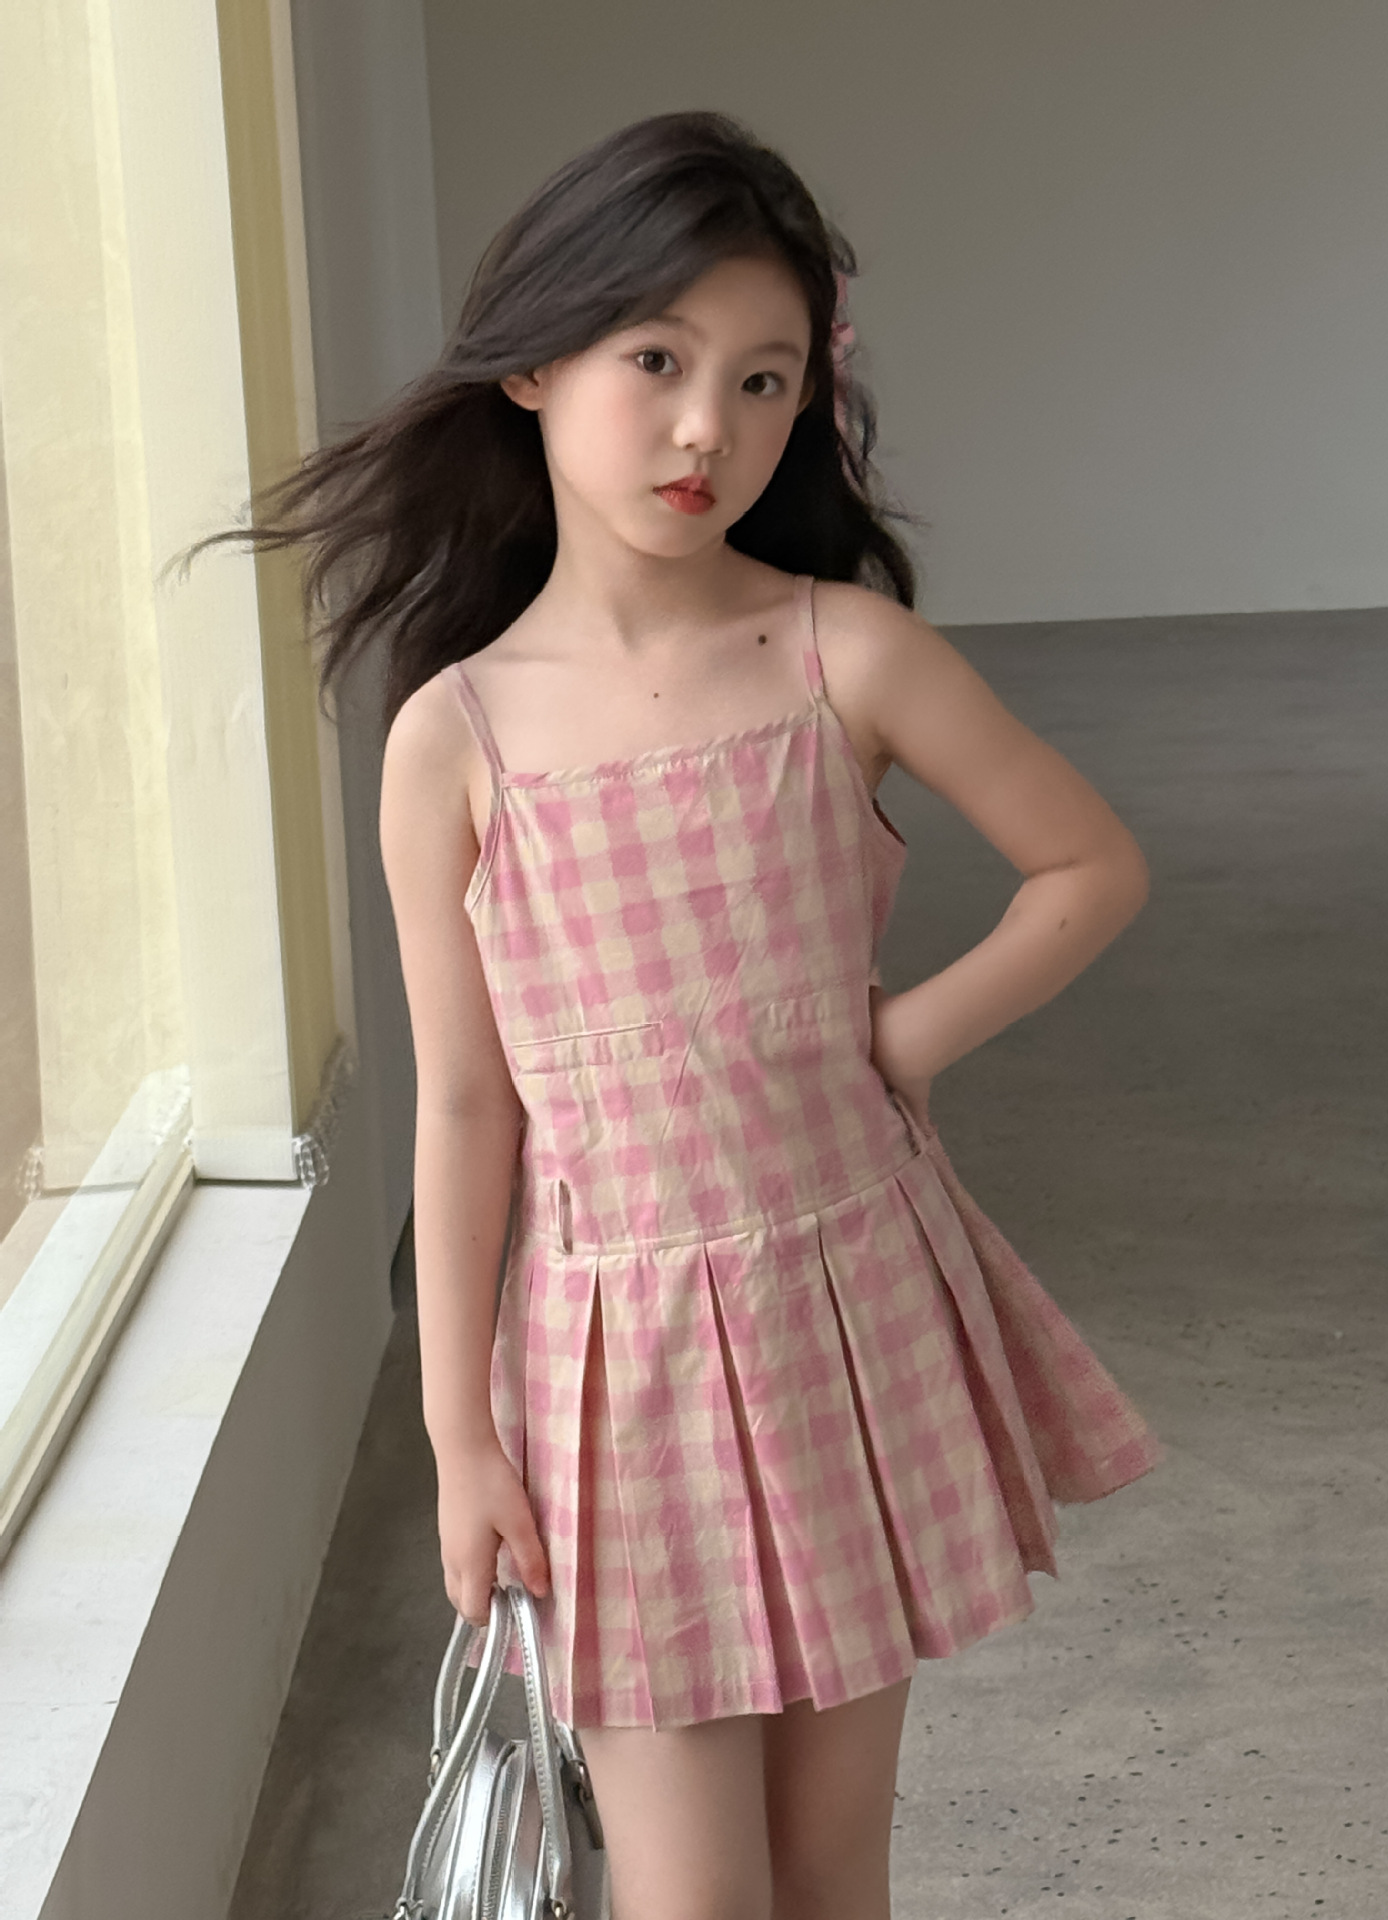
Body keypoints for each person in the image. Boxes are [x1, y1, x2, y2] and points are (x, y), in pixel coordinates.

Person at [204, 108, 1162, 1920]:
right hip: (610, 1375)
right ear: (534, 365)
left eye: (764, 379)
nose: (709, 426)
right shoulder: (455, 739)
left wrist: (898, 1043)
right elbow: (468, 1106)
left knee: (831, 1866)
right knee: (691, 1895)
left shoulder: (843, 655)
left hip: (845, 1315)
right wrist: (461, 1443)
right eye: (657, 361)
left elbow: (1088, 865)